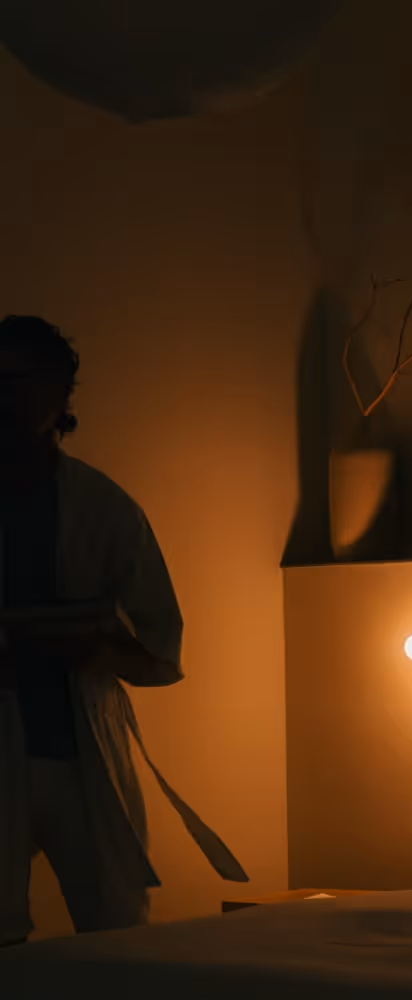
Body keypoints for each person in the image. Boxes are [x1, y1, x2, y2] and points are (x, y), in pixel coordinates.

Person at [0, 315, 246, 948]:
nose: (7, 394)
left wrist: (90, 643)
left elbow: (161, 648)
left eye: (22, 379)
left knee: (115, 929)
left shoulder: (104, 510)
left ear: (60, 392)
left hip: (82, 756)